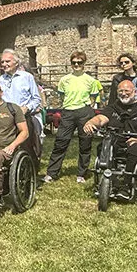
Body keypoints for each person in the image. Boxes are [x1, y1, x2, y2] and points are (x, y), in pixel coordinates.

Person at [83, 80, 137, 173]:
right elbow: (101, 118)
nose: (123, 94)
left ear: (135, 92)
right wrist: (91, 123)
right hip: (119, 141)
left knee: (134, 150)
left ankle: (127, 181)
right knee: (104, 146)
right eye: (120, 91)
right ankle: (110, 176)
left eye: (127, 91)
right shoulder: (114, 108)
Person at [44, 51, 100, 184]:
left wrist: (86, 109)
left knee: (85, 143)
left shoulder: (90, 80)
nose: (76, 65)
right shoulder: (64, 80)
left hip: (84, 112)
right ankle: (52, 173)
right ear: (71, 64)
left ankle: (82, 173)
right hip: (68, 112)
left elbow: (93, 98)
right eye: (74, 62)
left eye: (79, 62)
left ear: (84, 63)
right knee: (60, 142)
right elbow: (62, 96)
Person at [0, 49, 44, 158]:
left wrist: (27, 108)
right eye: (2, 62)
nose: (4, 64)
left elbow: (36, 99)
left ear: (16, 62)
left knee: (27, 148)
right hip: (6, 120)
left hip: (23, 118)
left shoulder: (27, 77)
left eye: (7, 61)